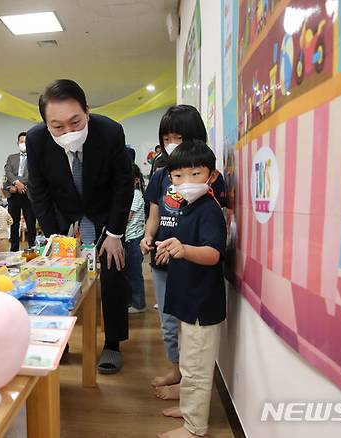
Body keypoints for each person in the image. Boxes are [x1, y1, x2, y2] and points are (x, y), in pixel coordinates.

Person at [26, 79, 133, 374]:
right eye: (57, 126)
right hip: (63, 215)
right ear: (46, 124)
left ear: (87, 110)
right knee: (58, 280)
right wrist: (54, 236)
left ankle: (112, 343)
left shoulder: (110, 131)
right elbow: (39, 190)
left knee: (112, 272)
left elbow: (123, 185)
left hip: (104, 213)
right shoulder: (36, 141)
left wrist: (115, 233)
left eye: (75, 122)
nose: (68, 132)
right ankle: (60, 339)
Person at [141, 104, 227, 399]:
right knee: (169, 323)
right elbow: (153, 214)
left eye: (178, 137)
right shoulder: (161, 175)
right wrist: (148, 237)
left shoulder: (208, 177)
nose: (171, 144)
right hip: (163, 260)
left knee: (191, 328)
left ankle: (187, 385)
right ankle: (177, 370)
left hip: (193, 264)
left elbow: (216, 223)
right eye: (166, 138)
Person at [155, 140, 226, 438]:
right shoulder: (188, 206)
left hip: (201, 303)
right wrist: (169, 248)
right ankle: (188, 406)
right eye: (178, 175)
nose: (186, 182)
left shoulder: (209, 209)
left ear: (211, 176)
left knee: (196, 368)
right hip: (187, 298)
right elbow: (183, 243)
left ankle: (195, 427)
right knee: (187, 359)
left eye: (195, 174)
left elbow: (213, 253)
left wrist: (183, 249)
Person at [3, 132, 37, 250]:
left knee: (31, 223)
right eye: (21, 142)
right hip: (13, 196)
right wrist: (17, 183)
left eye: (26, 142)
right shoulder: (11, 158)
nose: (24, 144)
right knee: (13, 223)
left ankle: (32, 247)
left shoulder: (34, 158)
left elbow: (32, 174)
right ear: (18, 143)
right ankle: (14, 249)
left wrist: (20, 184)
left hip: (28, 194)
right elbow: (8, 172)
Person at [124, 164, 146, 313]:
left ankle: (139, 304)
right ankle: (131, 301)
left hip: (134, 240)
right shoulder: (129, 194)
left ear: (136, 180)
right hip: (129, 239)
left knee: (134, 274)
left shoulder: (136, 194)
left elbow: (126, 217)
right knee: (129, 273)